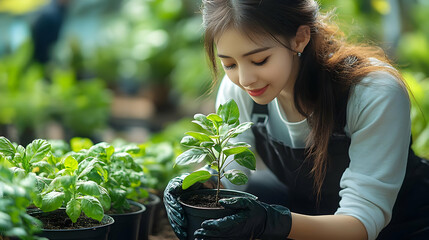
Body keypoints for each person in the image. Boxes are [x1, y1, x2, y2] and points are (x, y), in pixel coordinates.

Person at [164, 0, 429, 239]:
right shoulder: (239, 92)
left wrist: (272, 223)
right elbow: (232, 180)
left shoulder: (371, 91)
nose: (245, 80)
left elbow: (361, 223)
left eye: (259, 60)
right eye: (229, 64)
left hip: (399, 227)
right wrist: (199, 187)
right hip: (308, 215)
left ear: (299, 38)